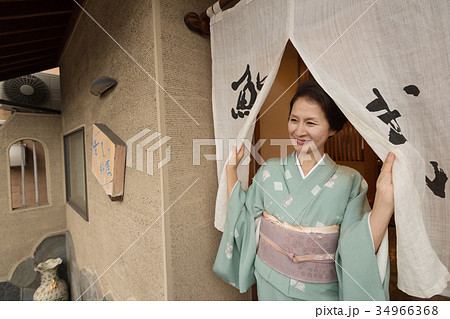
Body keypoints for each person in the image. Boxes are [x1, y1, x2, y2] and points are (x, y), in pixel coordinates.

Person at [213, 80, 395, 301]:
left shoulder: (350, 182)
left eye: (311, 123)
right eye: (294, 120)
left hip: (320, 294)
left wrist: (385, 203)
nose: (299, 131)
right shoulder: (269, 170)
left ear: (332, 128)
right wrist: (231, 169)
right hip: (269, 283)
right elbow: (242, 216)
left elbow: (357, 249)